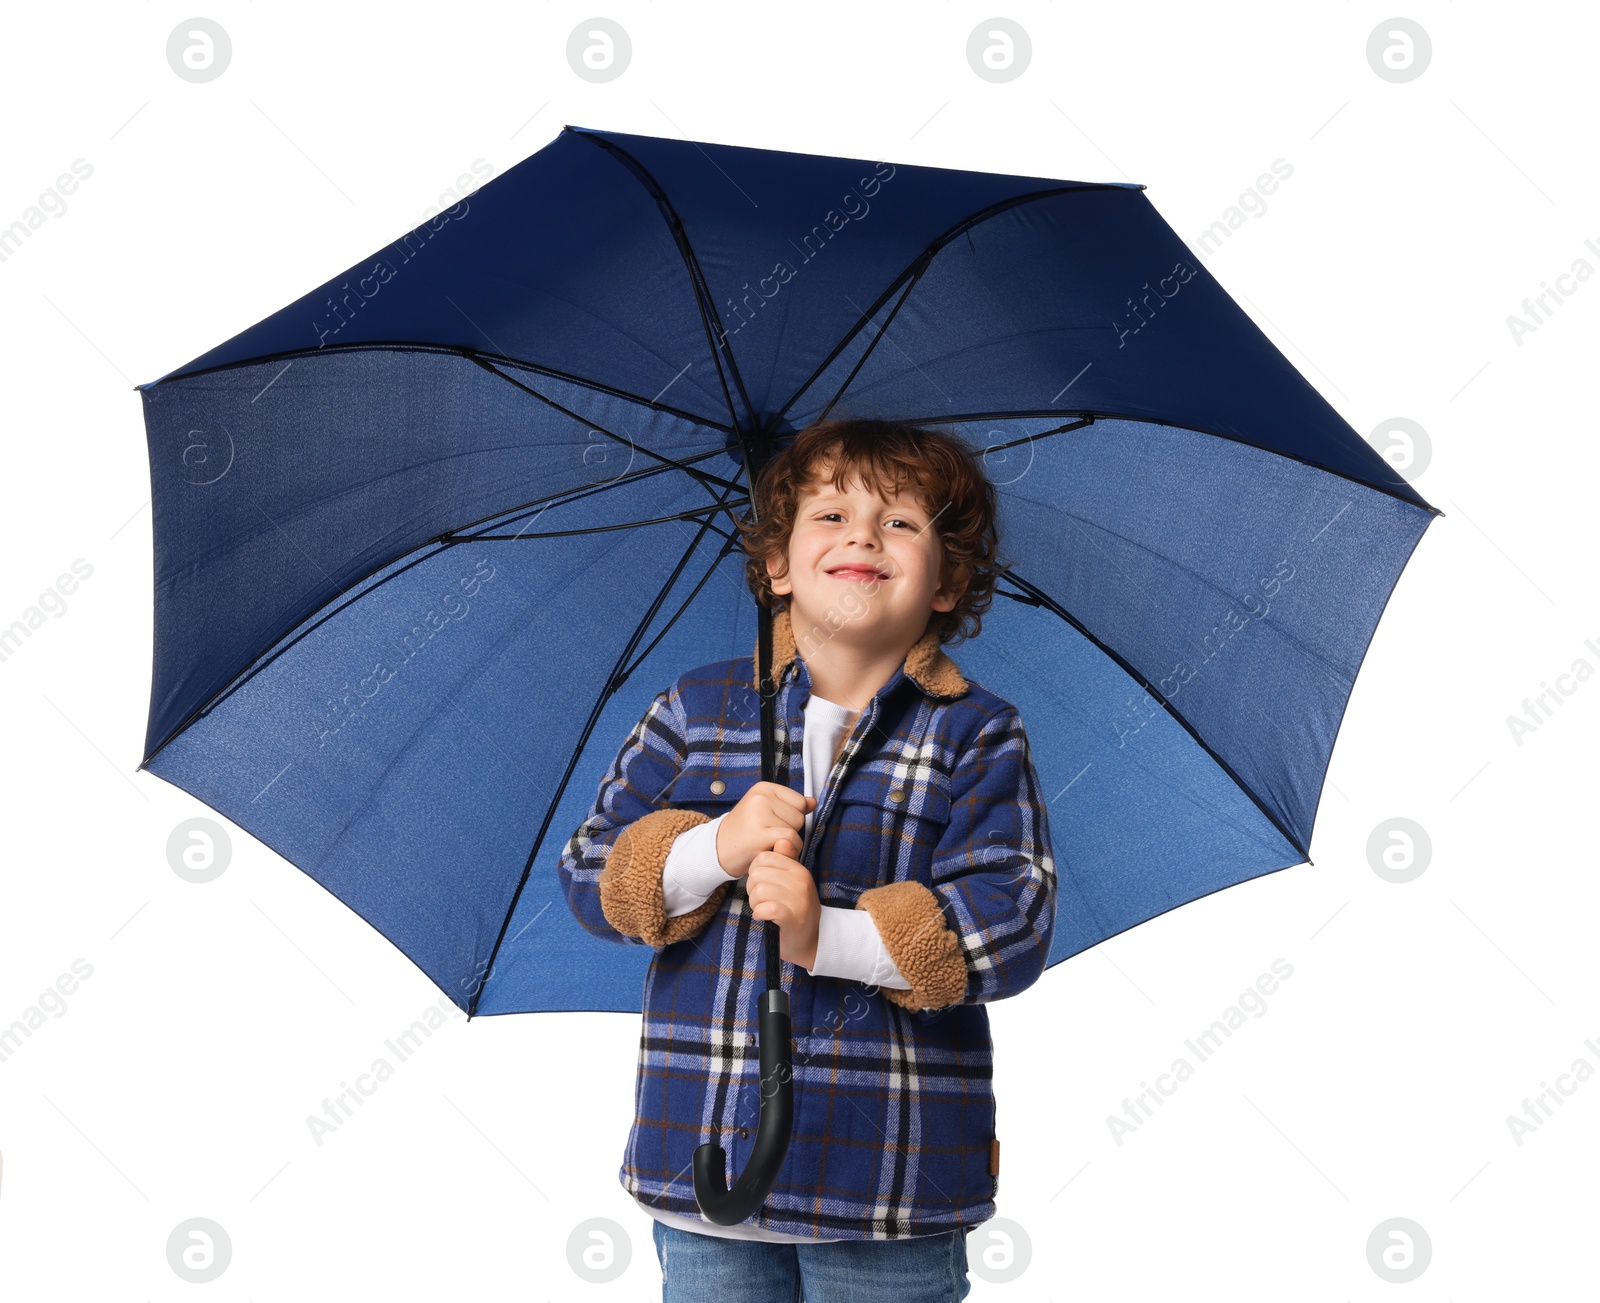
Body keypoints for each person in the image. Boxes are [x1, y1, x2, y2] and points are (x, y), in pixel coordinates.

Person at [557, 416, 1057, 1302]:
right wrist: (715, 846)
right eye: (829, 515)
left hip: (891, 1177)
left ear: (948, 582)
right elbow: (592, 875)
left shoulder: (974, 730)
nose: (863, 534)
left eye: (902, 522)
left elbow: (1011, 922)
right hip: (702, 1158)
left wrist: (829, 936)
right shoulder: (695, 708)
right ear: (776, 565)